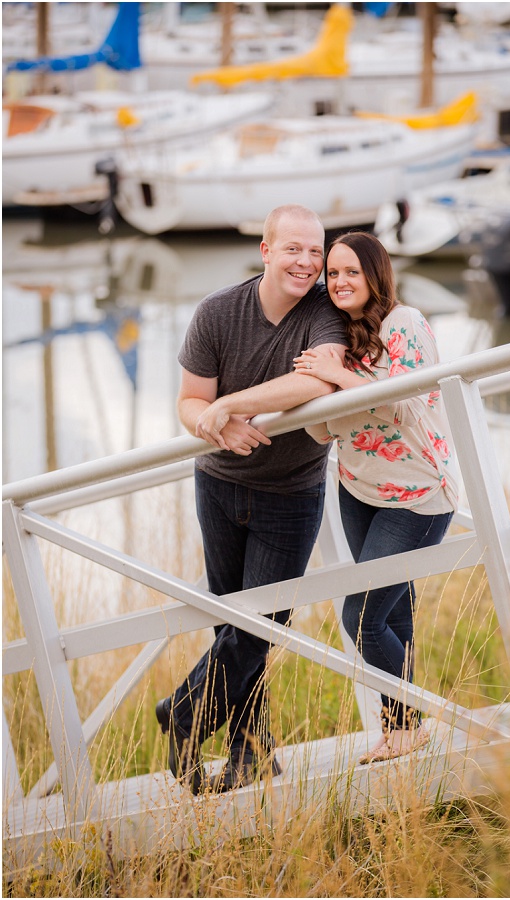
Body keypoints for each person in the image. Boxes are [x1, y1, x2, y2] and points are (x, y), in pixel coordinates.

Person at [155, 204, 348, 793]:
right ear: (265, 251)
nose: (308, 263)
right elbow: (190, 403)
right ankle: (252, 754)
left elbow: (320, 379)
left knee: (265, 622)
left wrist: (236, 404)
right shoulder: (217, 312)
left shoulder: (324, 311)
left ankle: (185, 712)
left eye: (315, 252)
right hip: (218, 484)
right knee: (231, 626)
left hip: (291, 492)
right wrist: (216, 423)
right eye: (294, 249)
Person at [293, 230, 458, 764]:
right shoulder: (337, 340)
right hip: (357, 488)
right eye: (332, 274)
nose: (339, 282)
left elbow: (403, 398)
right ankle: (400, 730)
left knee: (361, 616)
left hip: (417, 492)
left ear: (375, 274)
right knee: (395, 614)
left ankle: (410, 724)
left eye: (350, 272)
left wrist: (336, 377)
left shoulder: (402, 323)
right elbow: (324, 430)